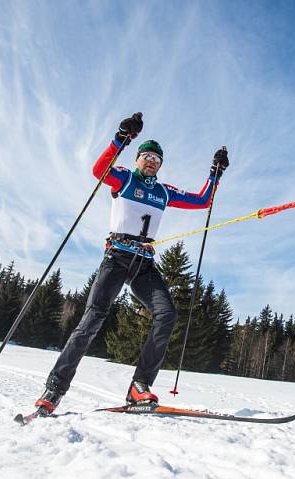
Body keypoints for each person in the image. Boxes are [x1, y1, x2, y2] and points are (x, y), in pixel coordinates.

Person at [33, 112, 230, 415]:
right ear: (138, 159)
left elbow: (202, 201)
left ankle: (139, 387)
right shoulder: (124, 177)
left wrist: (215, 173)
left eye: (157, 159)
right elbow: (99, 170)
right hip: (117, 257)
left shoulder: (164, 192)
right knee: (92, 320)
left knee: (167, 314)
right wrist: (120, 138)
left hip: (144, 264)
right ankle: (54, 390)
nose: (152, 161)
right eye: (147, 156)